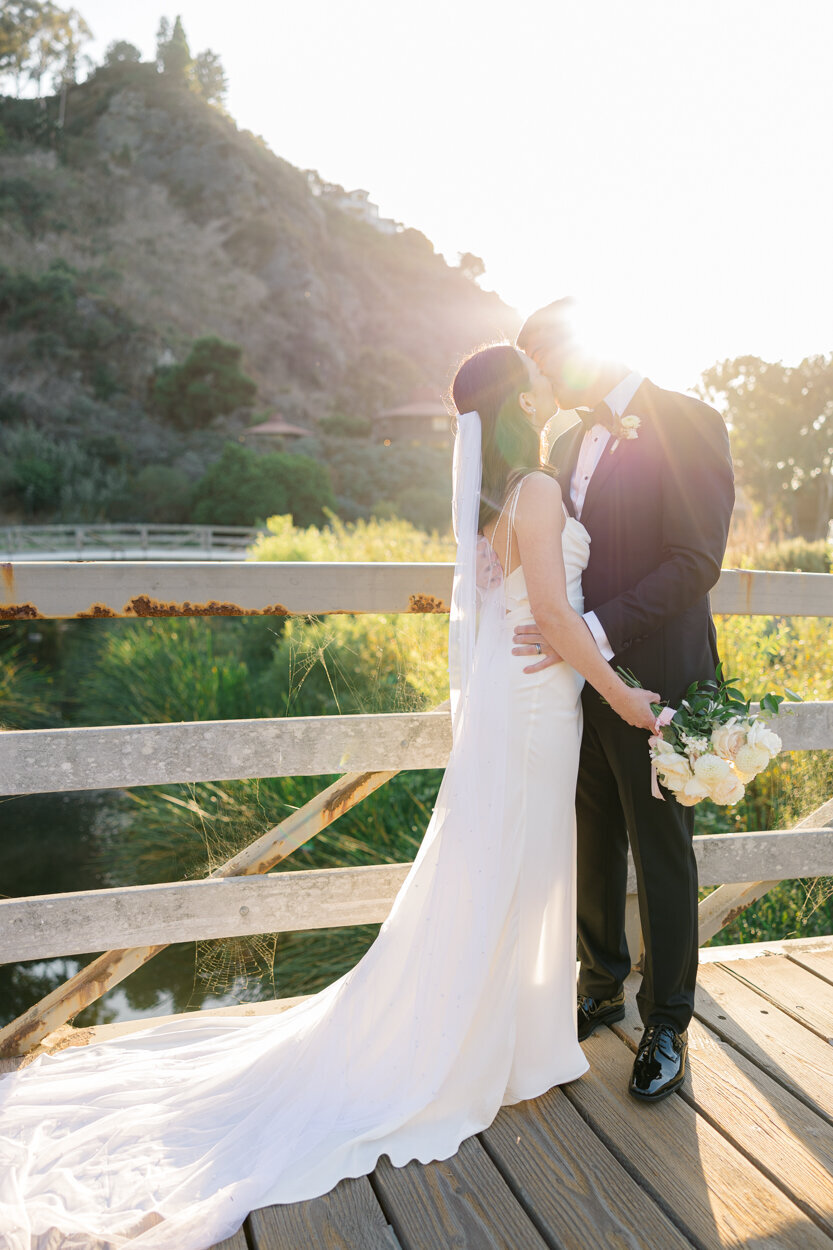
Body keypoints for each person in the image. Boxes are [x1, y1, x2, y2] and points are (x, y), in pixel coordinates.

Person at [0, 344, 656, 1250]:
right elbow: (548, 613)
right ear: (518, 401)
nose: (551, 386)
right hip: (540, 707)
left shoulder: (490, 497)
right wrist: (624, 694)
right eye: (536, 379)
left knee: (502, 862)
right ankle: (497, 1045)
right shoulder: (536, 490)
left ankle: (505, 1035)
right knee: (520, 859)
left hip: (521, 704)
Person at [513, 299, 735, 1101]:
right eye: (533, 360)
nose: (541, 372)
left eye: (546, 354)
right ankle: (598, 981)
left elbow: (693, 560)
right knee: (593, 834)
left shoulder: (687, 419)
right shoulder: (568, 442)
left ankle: (668, 1021)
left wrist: (592, 629)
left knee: (661, 849)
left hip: (659, 679)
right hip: (581, 681)